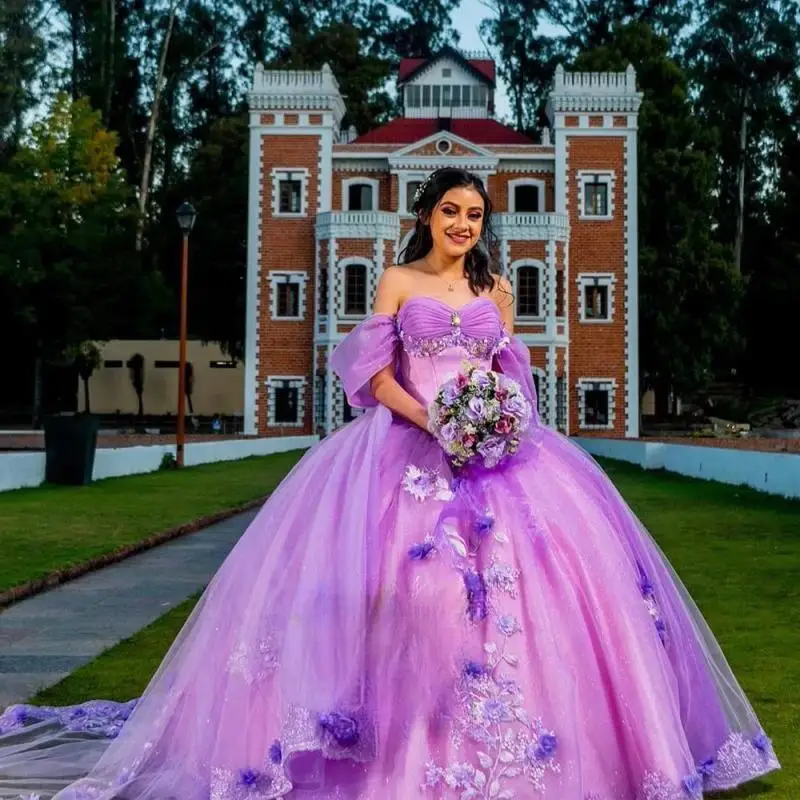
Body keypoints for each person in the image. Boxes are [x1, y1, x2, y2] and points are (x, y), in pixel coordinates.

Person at [0, 168, 779, 799]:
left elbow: (509, 373)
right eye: (451, 209)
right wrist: (437, 419)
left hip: (501, 460)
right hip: (409, 451)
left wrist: (497, 419)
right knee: (415, 599)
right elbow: (372, 376)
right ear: (427, 214)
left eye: (475, 212)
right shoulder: (397, 281)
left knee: (537, 600)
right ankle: (398, 748)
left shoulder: (497, 291)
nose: (464, 223)